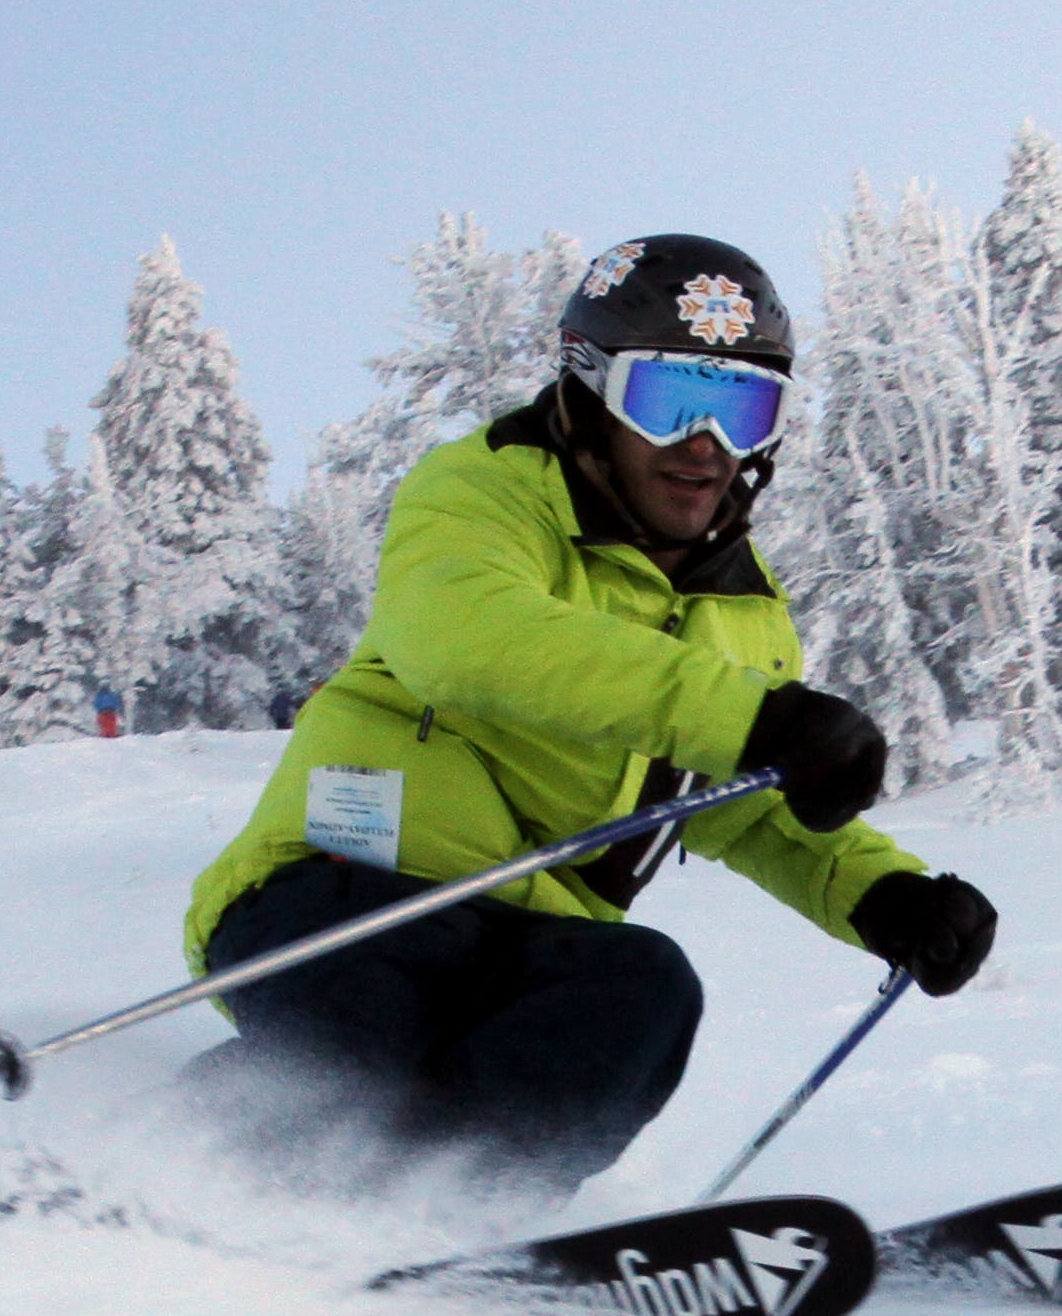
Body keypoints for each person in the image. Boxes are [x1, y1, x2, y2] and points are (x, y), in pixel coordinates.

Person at [177, 234, 996, 1199]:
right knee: (367, 1062)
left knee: (642, 994)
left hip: (531, 939)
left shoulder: (745, 610)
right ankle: (166, 1168)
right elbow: (470, 640)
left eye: (743, 407)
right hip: (344, 888)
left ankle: (453, 1229)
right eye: (668, 400)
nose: (707, 445)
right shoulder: (484, 492)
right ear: (592, 391)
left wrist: (881, 895)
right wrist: (744, 715)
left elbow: (733, 793)